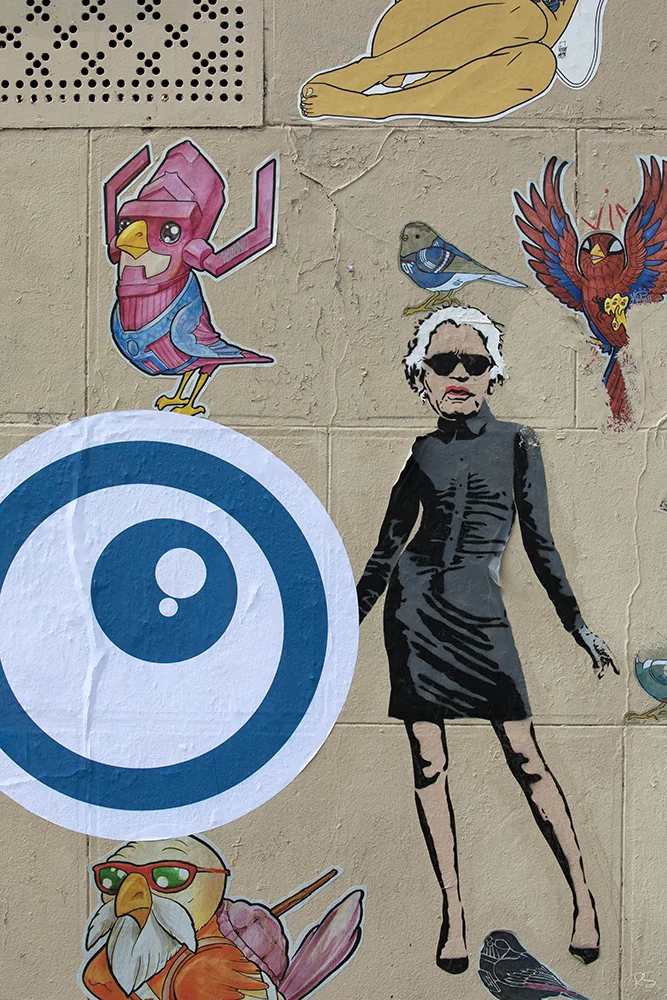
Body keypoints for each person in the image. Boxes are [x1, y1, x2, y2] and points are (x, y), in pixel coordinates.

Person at [357, 305, 618, 974]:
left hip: (480, 614)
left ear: (492, 374)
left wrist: (576, 623)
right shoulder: (422, 451)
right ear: (421, 374)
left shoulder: (518, 442)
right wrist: (343, 624)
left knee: (525, 756)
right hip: (414, 615)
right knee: (428, 765)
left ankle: (583, 898)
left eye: (473, 362)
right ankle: (454, 913)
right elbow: (387, 548)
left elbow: (540, 542)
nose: (458, 374)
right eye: (443, 362)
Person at [300, 0, 579, 120]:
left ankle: (374, 105)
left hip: (467, 68)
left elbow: (554, 30)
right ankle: (374, 70)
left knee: (540, 63)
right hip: (414, 34)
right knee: (526, 16)